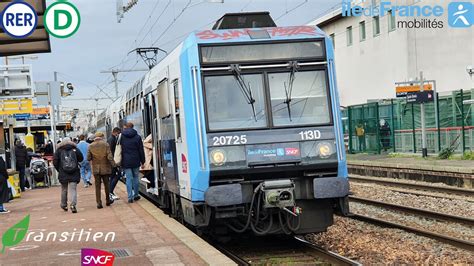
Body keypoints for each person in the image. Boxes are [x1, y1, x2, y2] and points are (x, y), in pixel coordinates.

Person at [53, 137, 83, 213]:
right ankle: (73, 205)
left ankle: (64, 205)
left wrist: (59, 170)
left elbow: (55, 162)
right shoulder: (75, 149)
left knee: (64, 189)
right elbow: (81, 158)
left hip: (63, 173)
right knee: (73, 189)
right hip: (74, 172)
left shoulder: (59, 150)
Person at [87, 132, 115, 209]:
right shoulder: (105, 144)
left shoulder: (90, 146)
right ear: (101, 137)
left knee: (97, 186)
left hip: (96, 169)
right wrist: (114, 165)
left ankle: (99, 202)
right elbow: (110, 157)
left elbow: (88, 158)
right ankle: (107, 200)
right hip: (105, 168)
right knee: (107, 185)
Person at [121, 122, 145, 203]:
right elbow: (141, 150)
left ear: (126, 127)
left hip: (126, 160)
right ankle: (136, 195)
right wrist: (143, 161)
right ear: (133, 127)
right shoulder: (137, 137)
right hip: (136, 160)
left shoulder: (122, 137)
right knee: (135, 178)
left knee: (128, 178)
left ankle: (130, 197)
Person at [107, 127, 121, 200]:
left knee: (114, 176)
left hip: (112, 161)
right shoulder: (112, 139)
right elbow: (111, 152)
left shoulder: (111, 138)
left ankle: (110, 192)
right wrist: (113, 163)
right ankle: (110, 192)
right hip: (113, 162)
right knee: (115, 176)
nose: (118, 135)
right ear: (115, 132)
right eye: (118, 133)